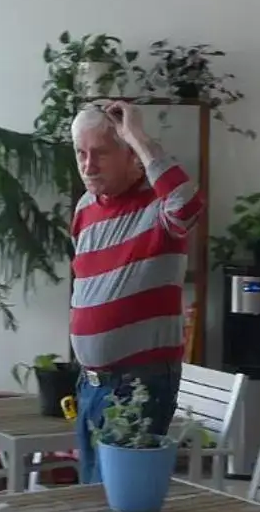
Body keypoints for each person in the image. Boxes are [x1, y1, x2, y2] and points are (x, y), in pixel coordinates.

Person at [68, 100, 204, 483]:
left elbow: (188, 205)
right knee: (92, 500)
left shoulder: (158, 206)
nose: (88, 165)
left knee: (121, 508)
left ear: (132, 157)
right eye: (81, 153)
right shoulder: (85, 208)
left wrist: (138, 135)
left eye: (101, 153)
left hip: (139, 384)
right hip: (91, 383)